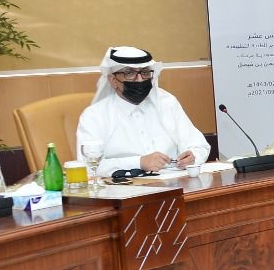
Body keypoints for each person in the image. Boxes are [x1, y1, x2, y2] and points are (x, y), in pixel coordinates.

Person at [76, 46, 210, 176]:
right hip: (124, 187)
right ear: (113, 80)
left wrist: (193, 157)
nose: (139, 79)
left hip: (176, 183)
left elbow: (200, 146)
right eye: (129, 73)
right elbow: (88, 167)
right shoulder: (94, 115)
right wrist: (138, 162)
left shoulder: (167, 103)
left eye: (145, 73)